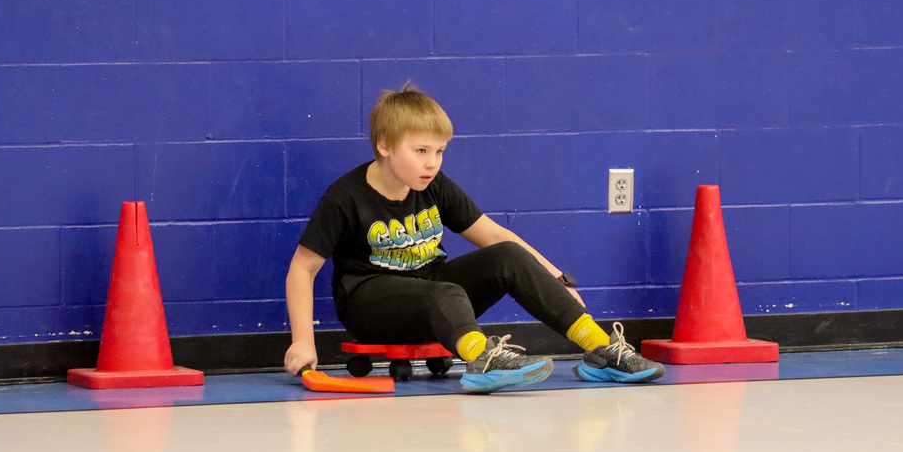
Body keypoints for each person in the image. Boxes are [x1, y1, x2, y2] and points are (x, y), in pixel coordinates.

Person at [284, 83, 664, 393]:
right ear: (384, 146)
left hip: (429, 293)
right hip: (369, 304)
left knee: (508, 255)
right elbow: (302, 268)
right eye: (420, 151)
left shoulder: (434, 185)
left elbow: (494, 235)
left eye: (439, 152)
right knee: (446, 292)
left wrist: (557, 278)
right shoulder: (345, 197)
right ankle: (483, 359)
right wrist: (303, 341)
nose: (432, 162)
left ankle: (601, 352)